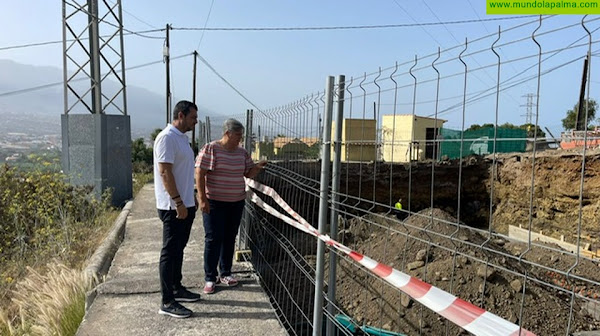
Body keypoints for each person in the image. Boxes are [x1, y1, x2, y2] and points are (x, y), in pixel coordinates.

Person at [195, 118, 267, 295]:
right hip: (214, 202)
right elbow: (200, 172)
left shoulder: (241, 153)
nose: (240, 140)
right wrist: (202, 199)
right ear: (227, 134)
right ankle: (210, 277)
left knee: (229, 237)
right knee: (213, 238)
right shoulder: (211, 149)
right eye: (238, 136)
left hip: (236, 203)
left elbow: (247, 173)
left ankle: (225, 273)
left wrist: (257, 167)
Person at [154, 100, 201, 318]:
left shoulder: (182, 139)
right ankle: (167, 301)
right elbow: (165, 172)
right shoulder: (167, 138)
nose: (196, 121)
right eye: (193, 117)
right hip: (173, 206)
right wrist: (178, 202)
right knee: (170, 251)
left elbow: (183, 172)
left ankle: (176, 287)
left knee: (179, 248)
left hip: (185, 203)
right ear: (180, 115)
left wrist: (190, 197)